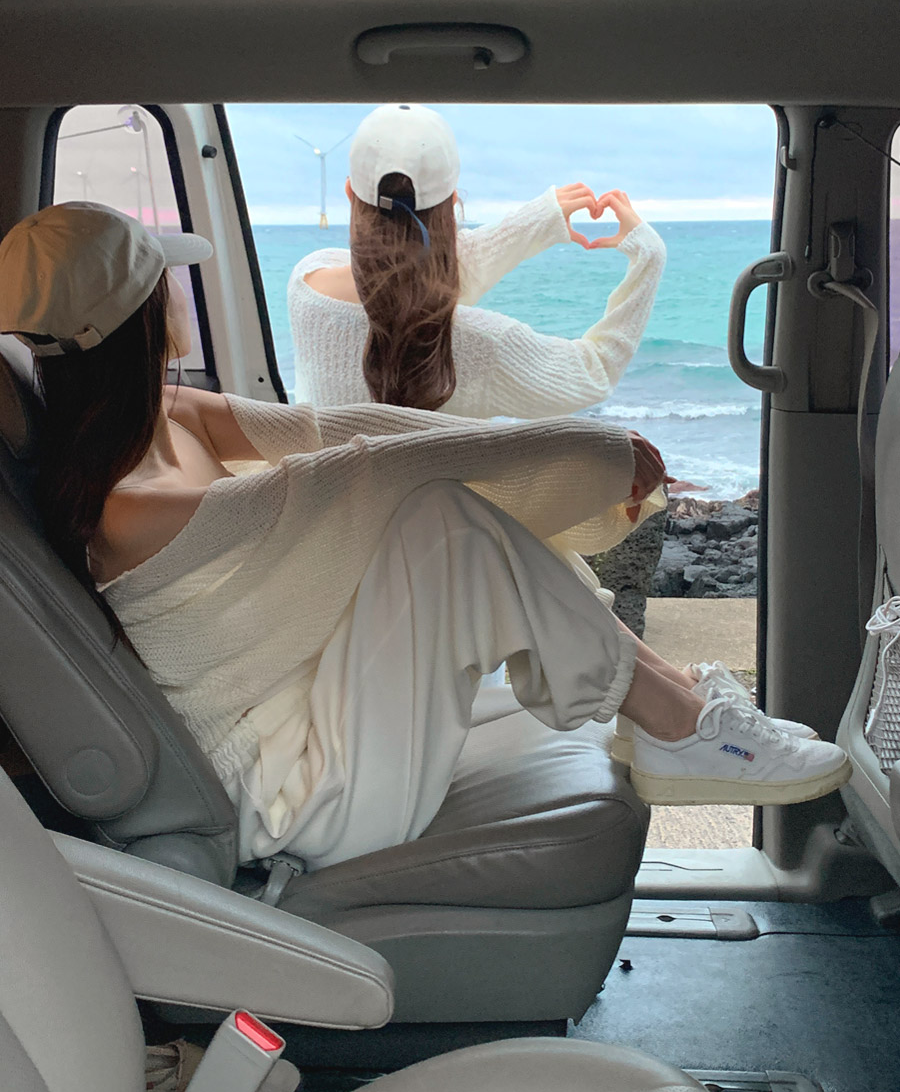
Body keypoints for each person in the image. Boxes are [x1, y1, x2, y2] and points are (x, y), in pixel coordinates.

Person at [0, 202, 849, 876]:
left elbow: (337, 430)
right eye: (166, 281)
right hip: (292, 794)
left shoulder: (168, 415)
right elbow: (363, 477)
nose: (179, 293)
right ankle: (683, 723)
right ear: (144, 315)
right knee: (442, 526)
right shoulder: (131, 505)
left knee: (442, 524)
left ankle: (681, 706)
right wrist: (593, 453)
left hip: (318, 717)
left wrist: (577, 453)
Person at [288, 100, 669, 430]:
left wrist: (536, 222)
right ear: (453, 201)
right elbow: (595, 371)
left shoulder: (306, 285)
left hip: (325, 496)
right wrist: (649, 257)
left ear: (349, 192)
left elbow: (401, 280)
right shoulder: (483, 345)